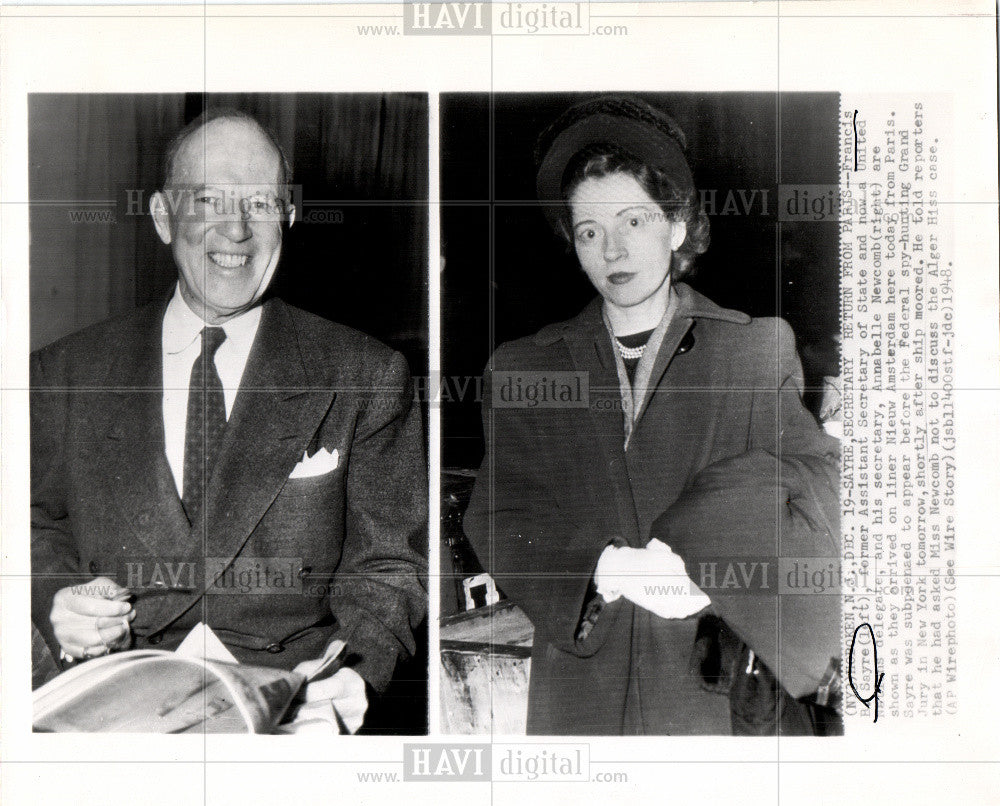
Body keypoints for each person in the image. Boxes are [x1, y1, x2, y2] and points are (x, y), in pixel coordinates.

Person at [30, 109, 427, 733]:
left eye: (262, 203)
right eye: (209, 197)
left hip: (287, 706)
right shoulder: (66, 372)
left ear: (288, 217)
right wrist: (55, 598)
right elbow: (29, 519)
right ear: (163, 216)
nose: (236, 229)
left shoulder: (364, 374)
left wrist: (350, 682)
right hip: (112, 698)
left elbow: (388, 567)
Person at [463, 96, 841, 735]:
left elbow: (814, 484)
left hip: (710, 697)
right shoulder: (526, 367)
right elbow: (499, 513)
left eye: (633, 221)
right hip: (581, 695)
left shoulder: (753, 349)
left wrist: (712, 558)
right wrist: (605, 568)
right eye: (589, 231)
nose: (611, 249)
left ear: (677, 225)